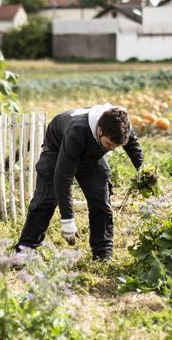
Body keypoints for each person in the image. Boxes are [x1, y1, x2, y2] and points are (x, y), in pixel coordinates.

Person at [15, 103, 143, 260]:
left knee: (100, 201)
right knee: (46, 200)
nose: (111, 149)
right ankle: (24, 253)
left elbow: (132, 144)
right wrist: (67, 219)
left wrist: (143, 169)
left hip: (90, 155)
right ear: (100, 130)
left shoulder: (120, 125)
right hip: (57, 150)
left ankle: (103, 254)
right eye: (109, 144)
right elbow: (63, 177)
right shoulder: (77, 131)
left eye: (116, 146)